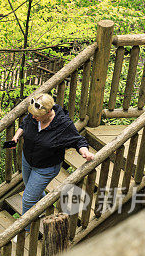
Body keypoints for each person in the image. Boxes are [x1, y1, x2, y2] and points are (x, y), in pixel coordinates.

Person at [7, 93, 94, 222]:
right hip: (28, 160)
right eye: (32, 114)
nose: (33, 117)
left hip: (46, 167)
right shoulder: (34, 115)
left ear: (48, 112)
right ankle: (44, 207)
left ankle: (26, 229)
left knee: (28, 198)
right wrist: (16, 136)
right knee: (31, 188)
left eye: (37, 116)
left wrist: (85, 152)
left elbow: (78, 140)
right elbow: (24, 124)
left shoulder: (63, 124)